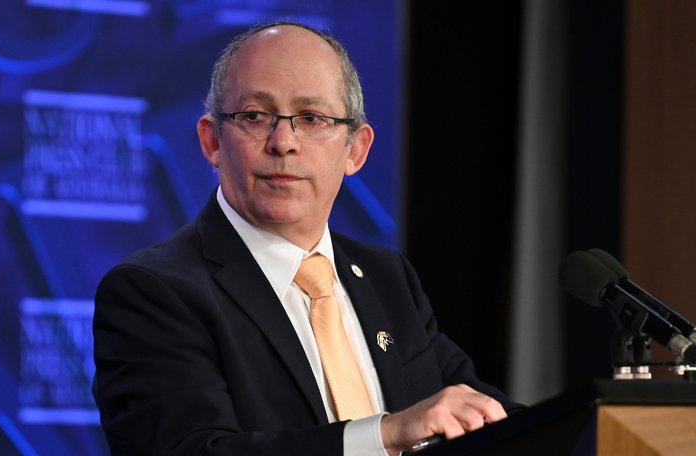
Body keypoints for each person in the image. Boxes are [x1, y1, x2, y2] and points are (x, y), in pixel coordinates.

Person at [92, 20, 526, 456]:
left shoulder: (386, 278)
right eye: (255, 116)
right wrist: (386, 434)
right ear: (212, 142)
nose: (284, 142)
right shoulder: (152, 291)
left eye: (312, 118)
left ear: (355, 149)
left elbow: (486, 414)